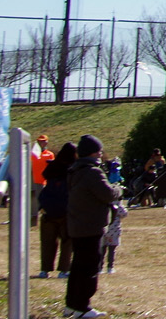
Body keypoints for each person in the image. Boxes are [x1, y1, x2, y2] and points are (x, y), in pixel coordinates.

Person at [65, 134, 118, 319]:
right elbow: (108, 194)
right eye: (100, 151)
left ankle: (71, 305)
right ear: (94, 152)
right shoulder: (92, 172)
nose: (101, 155)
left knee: (77, 268)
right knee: (89, 269)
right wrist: (119, 189)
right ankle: (83, 308)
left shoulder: (75, 170)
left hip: (77, 226)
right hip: (90, 228)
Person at [37, 142, 76, 278]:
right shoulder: (73, 169)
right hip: (66, 210)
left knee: (47, 241)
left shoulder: (52, 166)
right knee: (67, 241)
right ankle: (64, 270)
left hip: (48, 209)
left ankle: (44, 270)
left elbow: (44, 175)